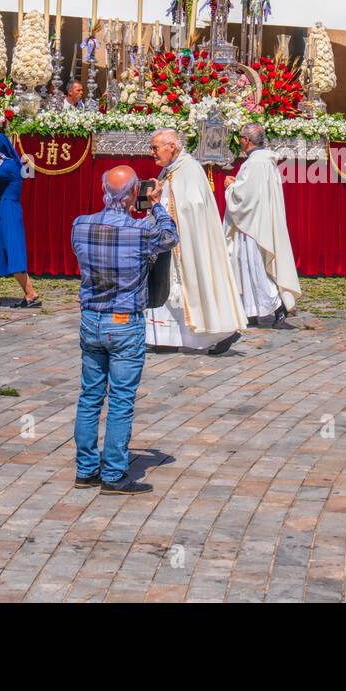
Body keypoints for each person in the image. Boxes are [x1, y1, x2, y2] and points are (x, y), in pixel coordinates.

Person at [71, 167, 178, 494]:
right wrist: (156, 204)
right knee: (120, 399)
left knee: (90, 396)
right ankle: (114, 473)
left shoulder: (80, 225)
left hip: (91, 318)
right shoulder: (140, 232)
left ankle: (86, 469)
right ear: (134, 194)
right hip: (124, 321)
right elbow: (170, 235)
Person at [144, 129, 246, 355]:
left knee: (191, 285)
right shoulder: (169, 170)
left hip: (186, 243)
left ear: (172, 146)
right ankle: (164, 338)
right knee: (166, 286)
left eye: (155, 147)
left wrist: (160, 206)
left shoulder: (188, 169)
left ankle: (221, 332)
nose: (152, 153)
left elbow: (192, 207)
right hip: (167, 241)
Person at [223, 123, 301, 327]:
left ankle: (276, 305)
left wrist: (231, 187)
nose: (239, 141)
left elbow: (245, 198)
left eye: (240, 137)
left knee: (254, 266)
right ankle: (251, 310)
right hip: (256, 221)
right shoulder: (262, 160)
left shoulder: (256, 163)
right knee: (247, 265)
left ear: (246, 140)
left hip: (253, 225)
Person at [0, 132, 41, 308]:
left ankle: (31, 293)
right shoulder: (5, 163)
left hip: (8, 212)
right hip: (1, 210)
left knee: (12, 250)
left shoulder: (9, 165)